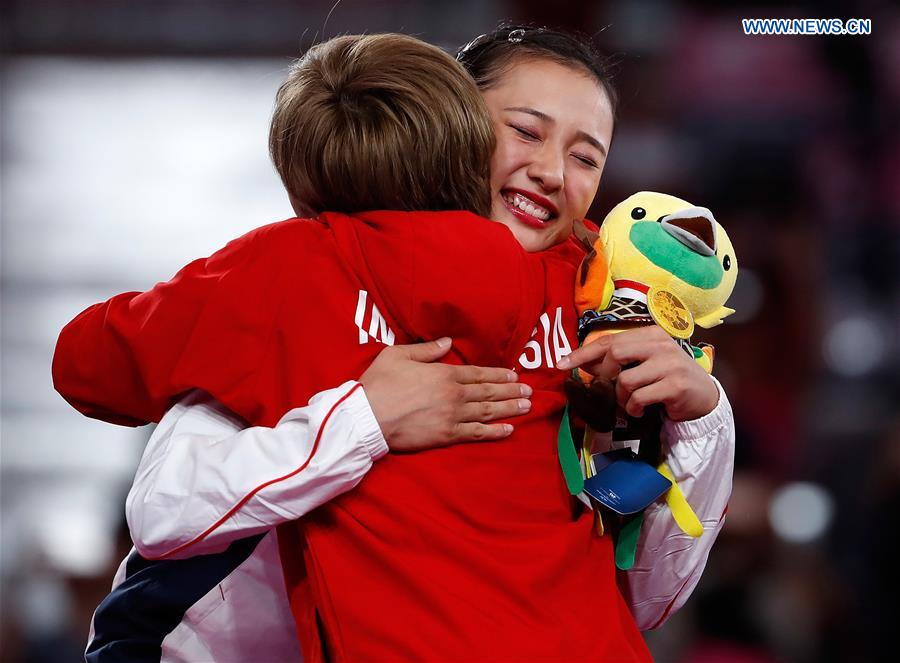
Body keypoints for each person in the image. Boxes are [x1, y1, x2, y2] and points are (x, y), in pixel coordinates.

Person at [56, 26, 733, 662]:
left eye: (587, 156)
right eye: (525, 132)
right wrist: (364, 418)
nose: (554, 171)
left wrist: (702, 419)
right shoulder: (299, 279)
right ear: (449, 126)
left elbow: (643, 596)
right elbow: (165, 512)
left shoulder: (598, 314)